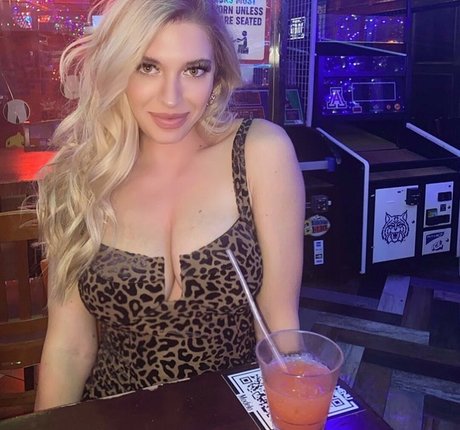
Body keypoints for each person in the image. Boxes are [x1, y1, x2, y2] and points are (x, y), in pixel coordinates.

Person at [34, 0, 305, 410]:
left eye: (194, 70)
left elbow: (278, 323)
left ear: (216, 75)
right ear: (117, 68)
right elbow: (69, 348)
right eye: (148, 66)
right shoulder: (80, 179)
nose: (171, 97)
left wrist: (293, 409)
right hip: (116, 413)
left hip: (233, 413)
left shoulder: (260, 153)